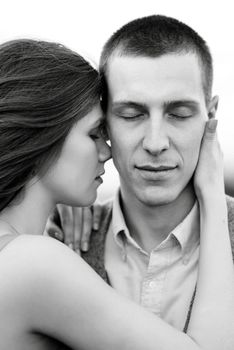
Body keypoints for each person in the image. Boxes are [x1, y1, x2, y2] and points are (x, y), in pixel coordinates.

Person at [0, 39, 233, 350]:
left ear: (211, 117)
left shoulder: (40, 244)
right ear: (44, 133)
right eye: (96, 132)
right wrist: (212, 194)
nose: (105, 151)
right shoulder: (41, 257)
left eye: (178, 113)